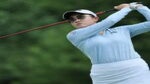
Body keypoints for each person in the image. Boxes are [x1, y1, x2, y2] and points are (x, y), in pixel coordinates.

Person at [62, 2, 150, 84]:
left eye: (80, 17)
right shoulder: (74, 35)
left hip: (134, 70)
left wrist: (140, 7)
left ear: (95, 18)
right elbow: (110, 21)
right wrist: (126, 8)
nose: (76, 20)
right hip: (104, 75)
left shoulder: (122, 30)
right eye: (72, 20)